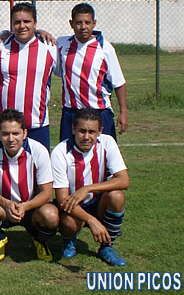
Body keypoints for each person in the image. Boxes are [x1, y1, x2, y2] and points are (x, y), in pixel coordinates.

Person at [0, 109, 58, 262]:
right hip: (5, 207)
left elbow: (47, 193)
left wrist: (25, 207)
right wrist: (7, 204)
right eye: (5, 134)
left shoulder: (38, 150)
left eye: (16, 133)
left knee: (51, 215)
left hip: (31, 207)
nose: (11, 139)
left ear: (25, 133)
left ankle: (39, 240)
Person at [51, 108, 129, 266]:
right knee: (69, 224)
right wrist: (91, 220)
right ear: (73, 129)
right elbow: (62, 199)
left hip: (97, 201)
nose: (86, 137)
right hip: (72, 204)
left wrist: (88, 188)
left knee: (116, 196)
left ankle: (106, 247)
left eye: (92, 132)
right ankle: (69, 239)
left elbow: (124, 181)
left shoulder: (107, 142)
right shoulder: (60, 151)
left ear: (100, 131)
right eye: (82, 131)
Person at [55, 3, 128, 142]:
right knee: (69, 153)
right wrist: (40, 31)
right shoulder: (62, 44)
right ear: (71, 24)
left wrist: (123, 112)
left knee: (102, 153)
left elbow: (119, 83)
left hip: (99, 112)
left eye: (87, 22)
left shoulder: (105, 48)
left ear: (94, 23)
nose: (83, 27)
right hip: (72, 112)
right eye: (78, 23)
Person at [0, 2, 57, 150]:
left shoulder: (50, 47)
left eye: (27, 21)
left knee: (38, 163)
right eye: (17, 22)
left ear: (35, 23)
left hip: (37, 123)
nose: (22, 26)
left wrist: (40, 32)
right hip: (5, 124)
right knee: (1, 164)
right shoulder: (0, 47)